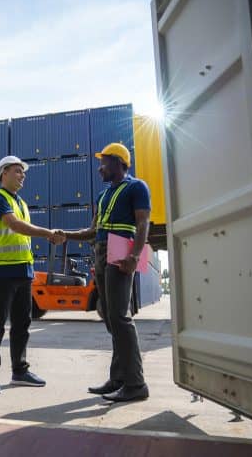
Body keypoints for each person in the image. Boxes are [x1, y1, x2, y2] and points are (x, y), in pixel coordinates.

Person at [61, 143, 151, 402]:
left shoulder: (136, 187)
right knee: (112, 320)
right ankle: (119, 378)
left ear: (118, 162)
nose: (99, 168)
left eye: (103, 162)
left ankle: (136, 384)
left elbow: (143, 221)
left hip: (121, 251)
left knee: (121, 318)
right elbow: (91, 231)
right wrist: (63, 234)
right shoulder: (102, 196)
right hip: (100, 251)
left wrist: (134, 255)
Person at [0, 155, 65, 395]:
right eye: (18, 171)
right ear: (3, 173)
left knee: (22, 324)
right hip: (2, 271)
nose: (22, 176)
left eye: (23, 172)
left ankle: (19, 371)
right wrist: (48, 233)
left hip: (24, 271)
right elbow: (14, 225)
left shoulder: (22, 203)